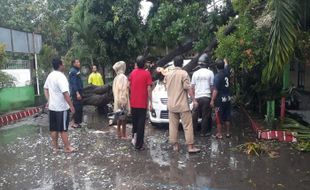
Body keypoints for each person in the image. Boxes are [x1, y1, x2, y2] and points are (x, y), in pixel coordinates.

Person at [165, 56, 200, 153]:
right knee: (188, 125)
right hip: (182, 104)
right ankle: (190, 147)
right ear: (182, 64)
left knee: (173, 126)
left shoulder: (168, 74)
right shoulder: (184, 74)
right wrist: (194, 100)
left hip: (171, 105)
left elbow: (166, 87)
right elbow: (188, 88)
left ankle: (175, 146)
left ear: (174, 64)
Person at [44, 58, 76, 153]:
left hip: (52, 107)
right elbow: (65, 93)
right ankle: (67, 147)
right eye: (63, 64)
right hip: (61, 107)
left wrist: (49, 100)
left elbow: (45, 89)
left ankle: (55, 146)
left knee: (53, 128)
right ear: (60, 65)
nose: (64, 66)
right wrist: (71, 106)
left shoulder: (50, 75)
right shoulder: (61, 77)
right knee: (63, 128)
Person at [129, 55, 153, 150]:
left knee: (134, 123)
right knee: (140, 125)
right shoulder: (147, 74)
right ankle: (139, 145)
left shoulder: (133, 73)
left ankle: (134, 140)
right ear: (144, 64)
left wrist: (133, 93)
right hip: (142, 103)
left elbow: (128, 85)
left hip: (133, 102)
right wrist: (151, 102)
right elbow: (149, 89)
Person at [191, 53, 214, 137]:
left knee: (194, 116)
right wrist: (212, 99)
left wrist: (193, 99)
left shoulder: (195, 73)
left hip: (197, 97)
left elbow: (192, 87)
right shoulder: (210, 73)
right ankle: (203, 133)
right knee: (205, 116)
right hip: (206, 97)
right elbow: (212, 87)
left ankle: (193, 132)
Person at [210, 59, 232, 139]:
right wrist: (225, 60)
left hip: (220, 100)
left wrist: (212, 100)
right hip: (228, 98)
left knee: (218, 116)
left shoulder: (217, 77)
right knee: (227, 116)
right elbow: (226, 65)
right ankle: (228, 133)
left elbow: (215, 90)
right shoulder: (227, 73)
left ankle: (219, 134)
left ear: (216, 67)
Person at [112, 61, 130, 139]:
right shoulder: (123, 77)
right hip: (122, 100)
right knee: (124, 118)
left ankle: (119, 133)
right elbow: (123, 90)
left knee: (119, 117)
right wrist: (123, 101)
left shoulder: (116, 77)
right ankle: (124, 134)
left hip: (117, 100)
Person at [69, 59, 84, 128]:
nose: (79, 63)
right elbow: (73, 83)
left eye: (79, 61)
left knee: (80, 107)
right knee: (77, 107)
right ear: (73, 64)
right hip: (76, 93)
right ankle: (75, 123)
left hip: (80, 92)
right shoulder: (73, 71)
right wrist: (77, 93)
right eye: (77, 62)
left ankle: (79, 123)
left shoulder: (77, 70)